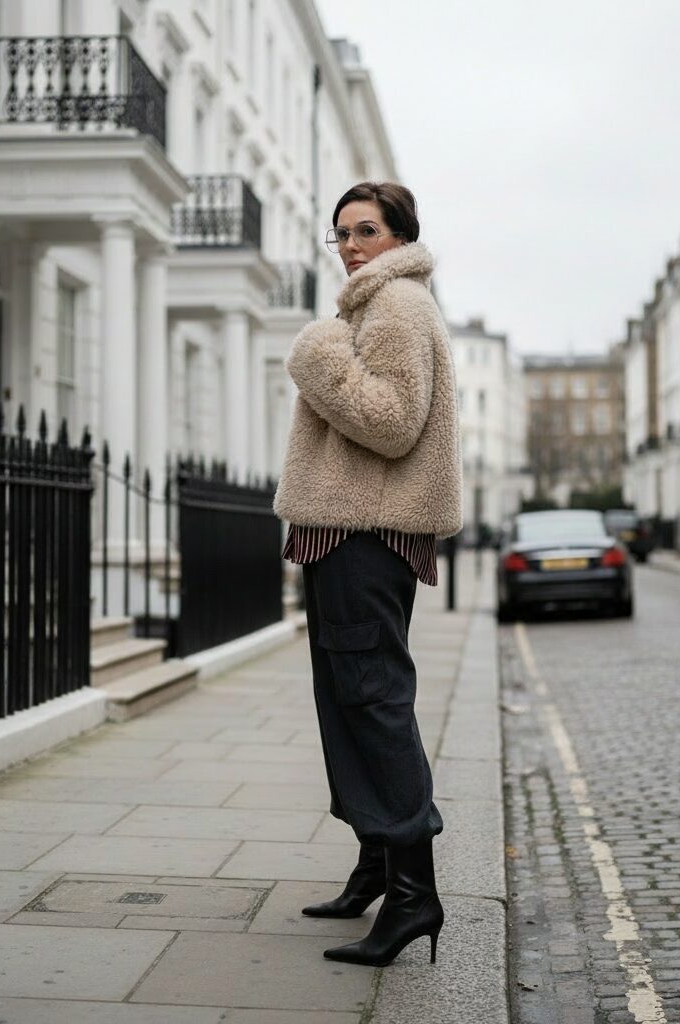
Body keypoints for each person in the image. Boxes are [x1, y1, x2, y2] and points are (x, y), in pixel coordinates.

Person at [273, 181, 462, 967]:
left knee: (373, 702)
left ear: (399, 238)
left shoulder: (397, 305)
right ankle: (378, 864)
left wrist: (318, 358)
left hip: (364, 534)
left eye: (366, 231)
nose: (350, 245)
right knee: (349, 702)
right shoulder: (373, 305)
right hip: (346, 532)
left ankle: (414, 895)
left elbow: (392, 421)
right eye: (341, 233)